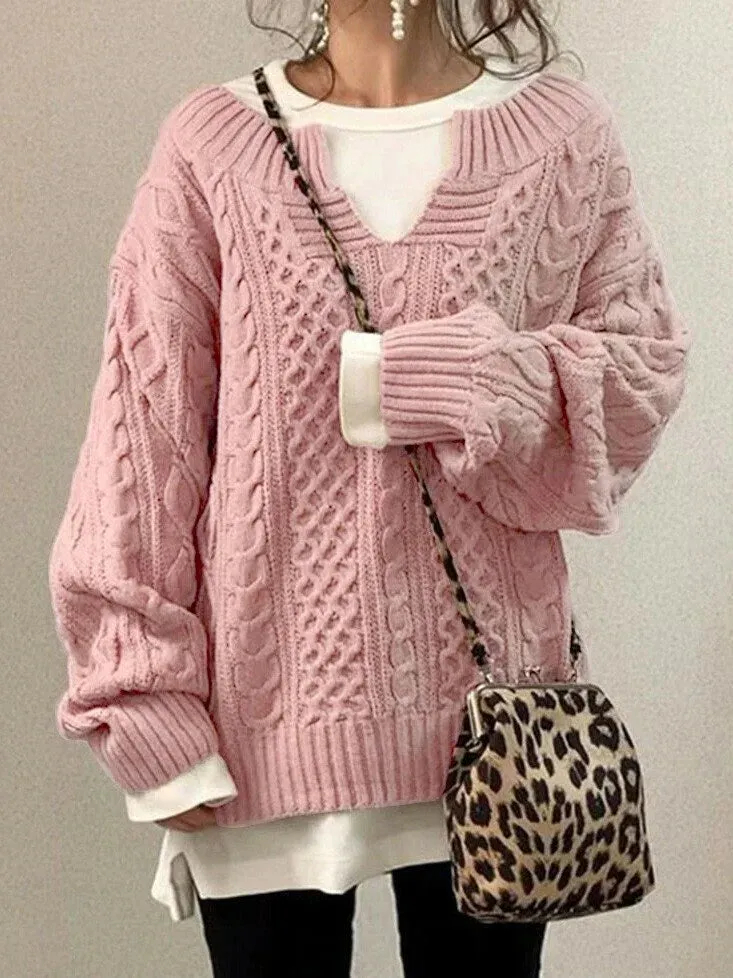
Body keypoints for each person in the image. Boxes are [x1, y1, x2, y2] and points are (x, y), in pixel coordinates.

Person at [47, 0, 691, 975]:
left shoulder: (562, 136)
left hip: (496, 738)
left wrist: (457, 380)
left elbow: (639, 379)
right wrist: (138, 695)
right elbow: (140, 438)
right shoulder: (213, 145)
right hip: (258, 742)